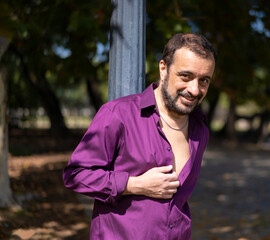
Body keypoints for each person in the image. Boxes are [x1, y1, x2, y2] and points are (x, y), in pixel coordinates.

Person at [63, 33, 216, 239]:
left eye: (204, 80)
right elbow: (76, 175)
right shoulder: (118, 114)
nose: (195, 89)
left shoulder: (200, 130)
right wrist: (135, 185)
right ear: (163, 69)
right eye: (186, 76)